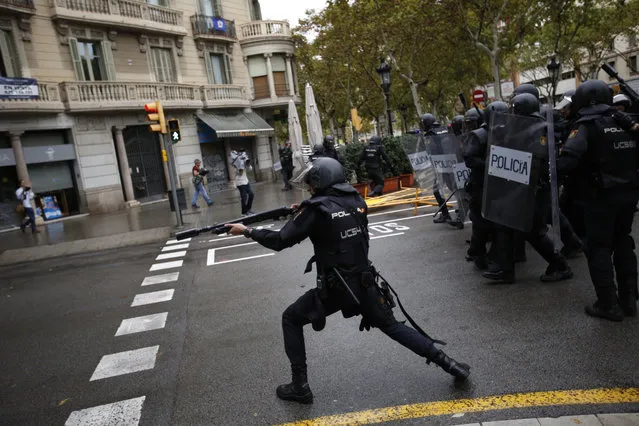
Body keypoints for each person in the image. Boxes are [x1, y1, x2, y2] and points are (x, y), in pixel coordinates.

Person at [224, 157, 470, 404]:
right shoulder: (356, 200)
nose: (310, 187)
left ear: (321, 180)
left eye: (312, 182)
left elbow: (281, 240)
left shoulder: (315, 210)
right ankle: (450, 364)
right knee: (393, 327)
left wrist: (247, 231)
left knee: (290, 318)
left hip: (336, 288)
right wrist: (306, 208)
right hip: (365, 282)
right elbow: (335, 219)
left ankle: (300, 386)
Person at [557, 79, 639, 321]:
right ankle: (629, 299)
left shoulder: (585, 126)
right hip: (629, 194)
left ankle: (607, 304)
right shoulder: (627, 122)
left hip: (599, 196)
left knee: (598, 246)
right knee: (623, 241)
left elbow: (569, 158)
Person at [483, 93, 573, 284]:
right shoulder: (526, 126)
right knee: (506, 225)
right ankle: (506, 270)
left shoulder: (537, 129)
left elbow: (534, 160)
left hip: (533, 190)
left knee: (533, 231)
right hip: (522, 188)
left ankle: (561, 265)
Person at [231, 149, 255, 216]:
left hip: (246, 181)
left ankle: (248, 209)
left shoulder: (243, 162)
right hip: (240, 183)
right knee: (244, 197)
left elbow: (250, 169)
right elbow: (240, 173)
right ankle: (244, 212)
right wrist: (241, 166)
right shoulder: (235, 165)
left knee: (251, 195)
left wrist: (247, 164)